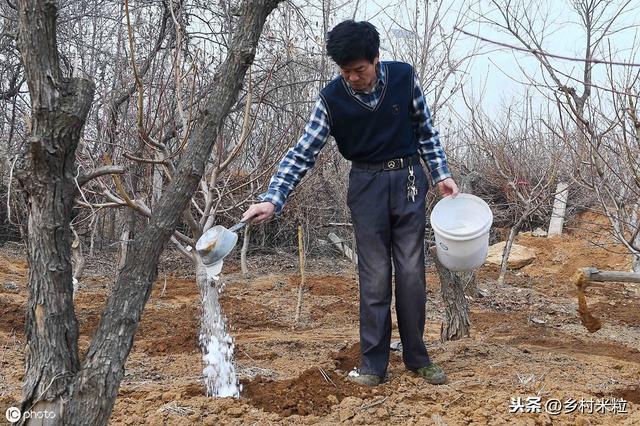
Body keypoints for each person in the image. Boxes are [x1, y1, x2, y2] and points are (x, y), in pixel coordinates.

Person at [241, 20, 459, 386]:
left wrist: (441, 174)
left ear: (376, 59)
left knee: (411, 274)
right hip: (366, 184)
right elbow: (302, 152)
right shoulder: (332, 98)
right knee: (374, 276)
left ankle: (418, 357)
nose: (353, 78)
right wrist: (273, 199)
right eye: (346, 72)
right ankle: (373, 365)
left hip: (408, 180)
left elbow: (425, 130)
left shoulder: (404, 78)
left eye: (359, 70)